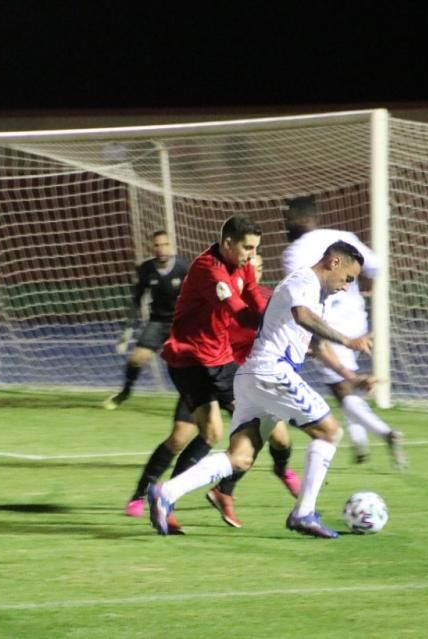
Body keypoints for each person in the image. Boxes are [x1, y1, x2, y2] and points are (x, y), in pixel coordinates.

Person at [149, 240, 371, 538]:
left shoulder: (315, 295)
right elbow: (303, 317)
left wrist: (349, 376)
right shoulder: (304, 280)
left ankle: (166, 493)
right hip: (271, 372)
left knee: (239, 457)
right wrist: (348, 340)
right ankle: (303, 513)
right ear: (334, 263)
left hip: (255, 377)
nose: (346, 287)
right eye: (348, 278)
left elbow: (315, 344)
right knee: (330, 432)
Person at [127, 253, 299, 529]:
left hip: (236, 376)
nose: (255, 267)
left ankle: (239, 485)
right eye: (248, 262)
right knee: (181, 437)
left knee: (276, 435)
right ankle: (142, 494)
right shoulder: (218, 294)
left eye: (260, 263)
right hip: (204, 368)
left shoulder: (265, 298)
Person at [145, 215, 269, 533]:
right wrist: (275, 325)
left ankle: (221, 490)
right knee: (214, 432)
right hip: (190, 360)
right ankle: (167, 496)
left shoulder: (241, 264)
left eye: (255, 249)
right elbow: (238, 311)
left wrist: (271, 313)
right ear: (228, 243)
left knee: (266, 423)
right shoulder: (208, 269)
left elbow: (253, 295)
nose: (251, 255)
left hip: (220, 359)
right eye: (247, 248)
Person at [281, 196, 406, 468]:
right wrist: (358, 285)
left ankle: (387, 434)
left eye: (288, 219)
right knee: (347, 386)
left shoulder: (294, 252)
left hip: (329, 326)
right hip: (356, 320)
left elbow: (302, 294)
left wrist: (311, 336)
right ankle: (360, 446)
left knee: (341, 388)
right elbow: (376, 266)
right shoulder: (342, 236)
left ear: (297, 220)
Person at [104, 230, 188, 410]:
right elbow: (137, 299)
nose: (161, 249)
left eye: (165, 244)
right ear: (152, 247)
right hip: (157, 322)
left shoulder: (183, 267)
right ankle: (125, 392)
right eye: (157, 245)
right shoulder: (146, 269)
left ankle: (211, 398)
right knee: (136, 359)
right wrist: (128, 329)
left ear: (170, 246)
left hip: (181, 323)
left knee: (193, 365)